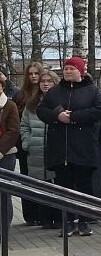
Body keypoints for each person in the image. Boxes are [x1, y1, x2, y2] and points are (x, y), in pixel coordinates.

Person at [37, 57, 101, 237]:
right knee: (63, 186)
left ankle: (84, 221)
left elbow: (100, 110)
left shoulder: (91, 91)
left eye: (72, 69)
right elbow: (41, 110)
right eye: (66, 68)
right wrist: (57, 115)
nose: (68, 72)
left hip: (83, 147)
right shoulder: (55, 91)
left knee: (84, 186)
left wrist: (74, 117)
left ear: (81, 71)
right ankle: (67, 221)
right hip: (61, 148)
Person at [20, 69, 59, 228]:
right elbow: (24, 125)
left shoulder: (61, 101)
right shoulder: (32, 103)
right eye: (43, 81)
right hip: (35, 151)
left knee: (55, 184)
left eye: (49, 81)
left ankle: (58, 218)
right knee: (39, 185)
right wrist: (27, 142)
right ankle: (44, 218)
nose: (46, 84)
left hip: (54, 150)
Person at [14, 61, 44, 225]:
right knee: (26, 179)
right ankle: (30, 215)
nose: (33, 76)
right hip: (26, 143)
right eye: (30, 74)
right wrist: (25, 141)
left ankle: (43, 213)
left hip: (43, 145)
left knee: (43, 180)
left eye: (36, 73)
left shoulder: (47, 93)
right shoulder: (20, 96)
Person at [0, 80, 19, 232]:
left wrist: (0, 150)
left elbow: (13, 131)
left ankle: (4, 227)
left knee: (4, 192)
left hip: (5, 155)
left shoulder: (9, 106)